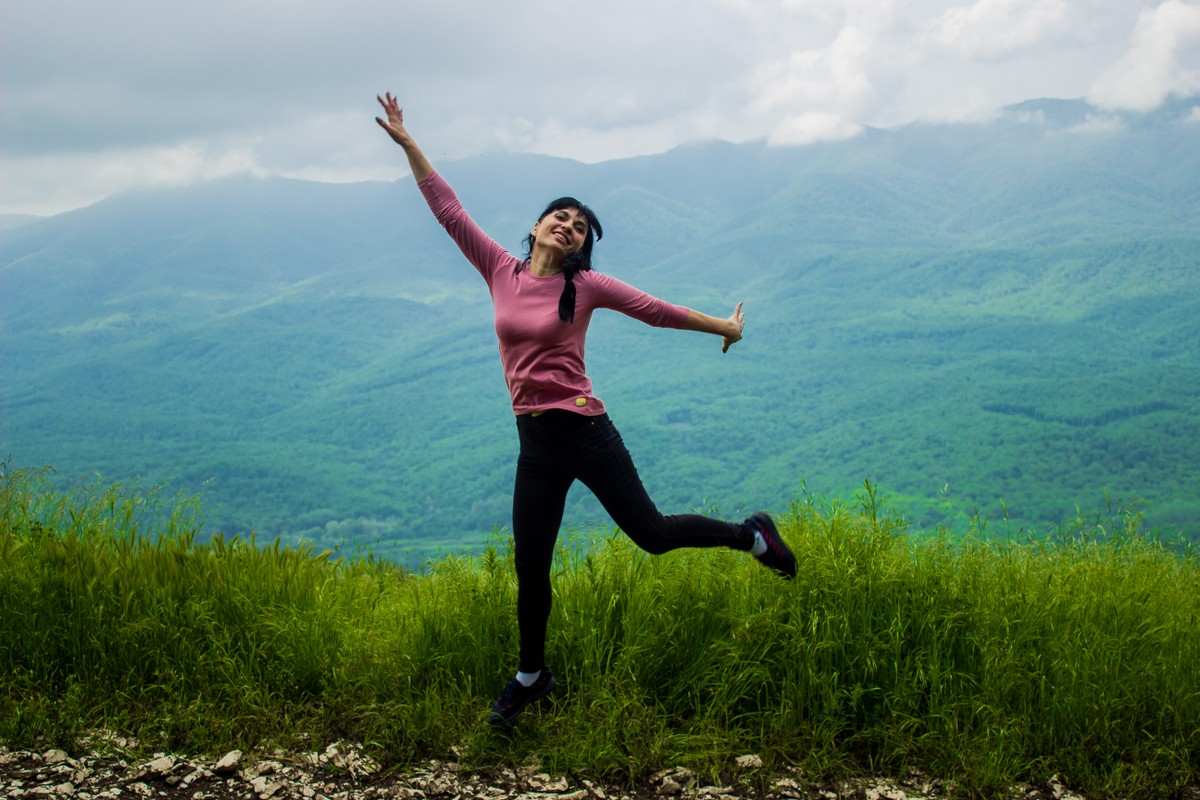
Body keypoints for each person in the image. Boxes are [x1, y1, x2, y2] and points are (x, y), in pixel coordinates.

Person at [375, 92, 796, 726]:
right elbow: (449, 211)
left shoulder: (587, 286)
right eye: (561, 215)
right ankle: (531, 675)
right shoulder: (500, 269)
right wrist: (411, 144)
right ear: (537, 226)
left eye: (580, 226)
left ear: (580, 249)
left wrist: (724, 327)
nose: (568, 225)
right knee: (531, 565)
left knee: (653, 536)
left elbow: (656, 311)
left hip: (584, 431)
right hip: (535, 443)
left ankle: (752, 535)